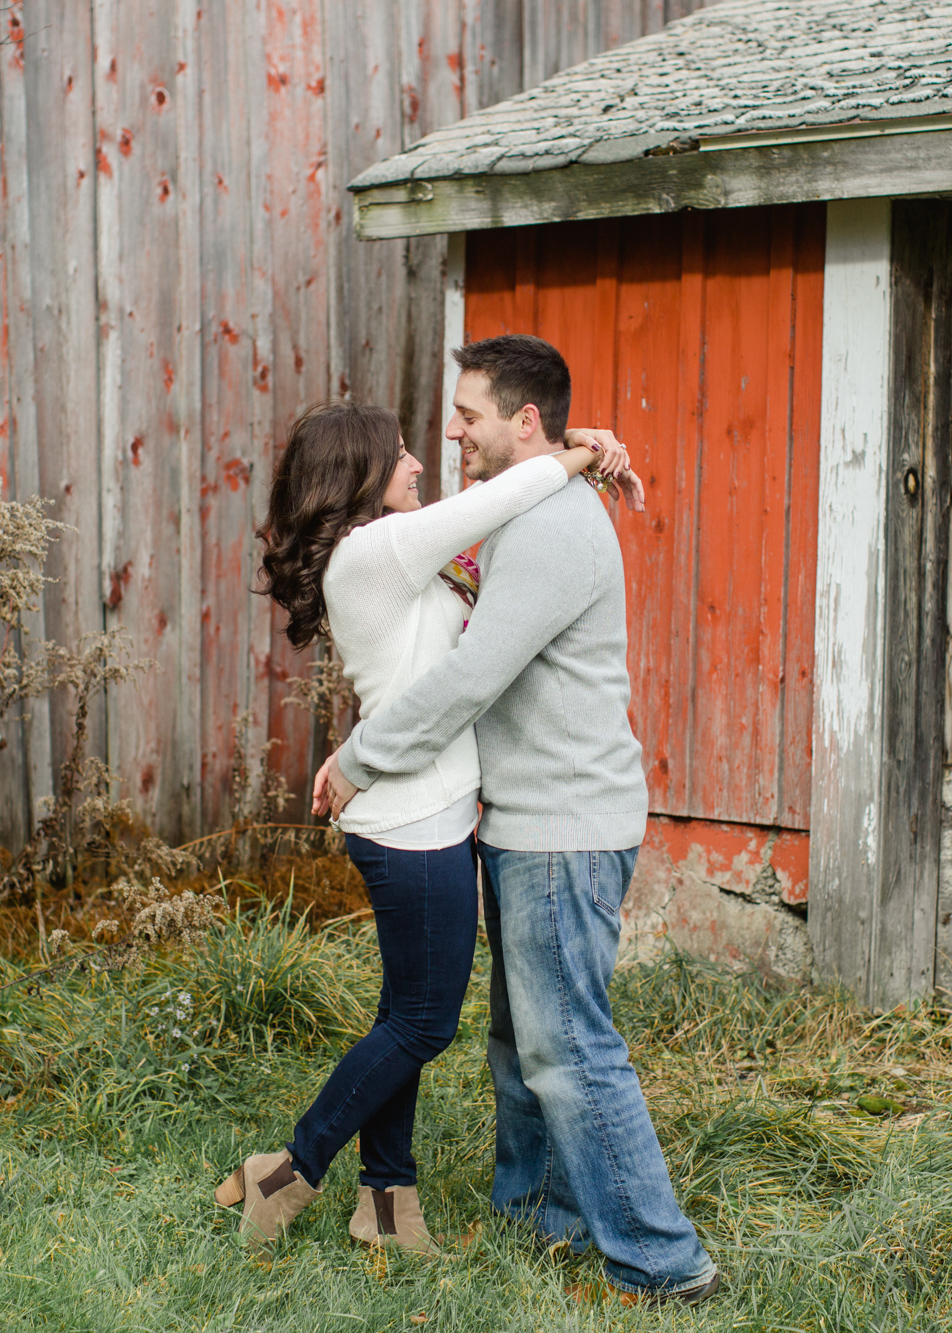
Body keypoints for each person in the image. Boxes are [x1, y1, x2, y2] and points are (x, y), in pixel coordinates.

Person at [314, 335, 721, 1304]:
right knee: (520, 1044)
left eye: (467, 415)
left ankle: (660, 1262)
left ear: (521, 422)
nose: (451, 431)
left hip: (562, 826)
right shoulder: (527, 503)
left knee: (568, 1048)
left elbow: (466, 678)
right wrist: (587, 446)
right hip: (527, 821)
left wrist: (359, 757)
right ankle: (537, 1216)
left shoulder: (546, 526)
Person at [218, 399, 639, 1254]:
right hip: (413, 828)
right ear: (363, 476)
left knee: (401, 1013)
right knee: (423, 1023)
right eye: (403, 453)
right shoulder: (375, 548)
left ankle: (386, 1202)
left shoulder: (389, 556)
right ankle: (288, 1170)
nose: (420, 464)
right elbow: (492, 502)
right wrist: (581, 449)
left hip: (423, 812)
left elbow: (415, 663)